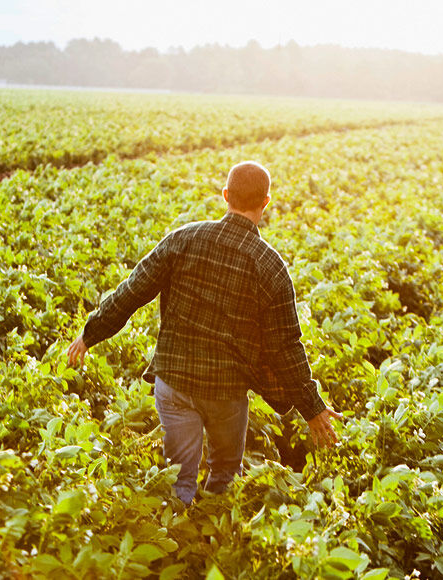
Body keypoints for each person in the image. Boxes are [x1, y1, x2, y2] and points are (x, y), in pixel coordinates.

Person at [66, 161, 342, 505]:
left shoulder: (184, 238)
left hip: (174, 383)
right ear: (266, 202)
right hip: (225, 393)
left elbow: (133, 291)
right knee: (224, 475)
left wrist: (90, 334)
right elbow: (285, 347)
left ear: (226, 195)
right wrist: (312, 409)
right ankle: (213, 527)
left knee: (178, 478)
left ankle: (177, 525)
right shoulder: (270, 266)